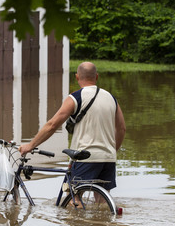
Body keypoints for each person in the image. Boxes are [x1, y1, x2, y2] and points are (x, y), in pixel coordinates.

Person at [18, 62, 126, 191]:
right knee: (102, 203)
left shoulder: (75, 97)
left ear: (77, 77)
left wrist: (30, 146)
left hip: (85, 157)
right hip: (108, 158)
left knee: (73, 200)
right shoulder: (111, 98)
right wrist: (112, 150)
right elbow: (121, 128)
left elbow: (52, 125)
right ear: (97, 77)